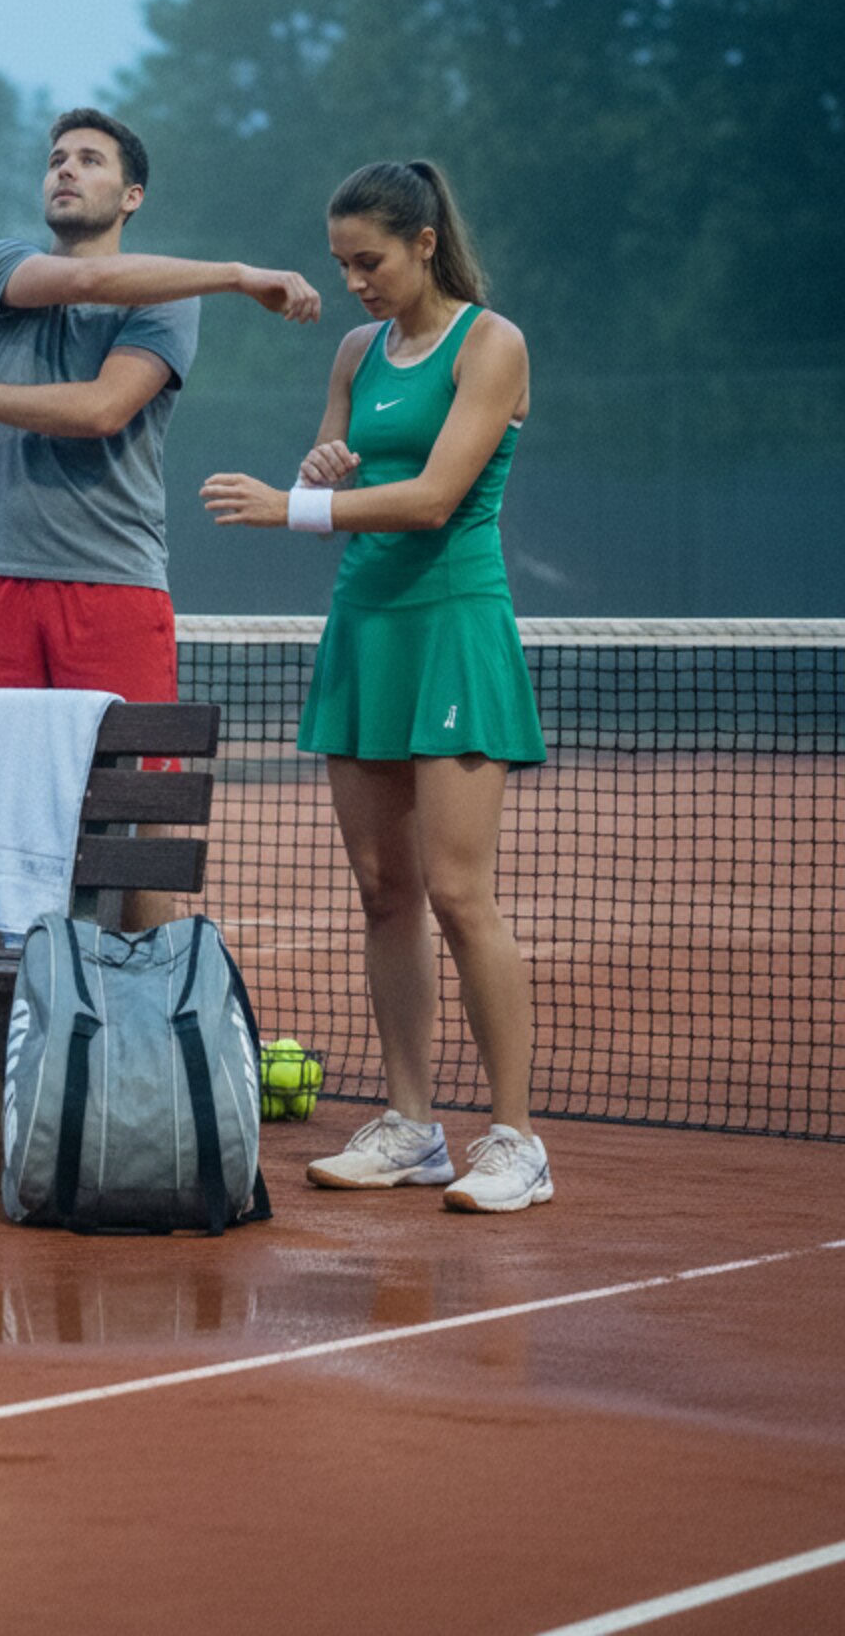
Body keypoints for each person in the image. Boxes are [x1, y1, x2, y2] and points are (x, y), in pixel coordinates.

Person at [200, 159, 550, 1213]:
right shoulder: (356, 349)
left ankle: (516, 1140)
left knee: (455, 889)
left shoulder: (491, 344)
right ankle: (410, 1126)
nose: (352, 281)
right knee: (381, 888)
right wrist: (320, 469)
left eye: (370, 260)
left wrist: (288, 508)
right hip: (363, 628)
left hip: (451, 625)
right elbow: (335, 457)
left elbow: (437, 496)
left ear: (423, 242)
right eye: (340, 263)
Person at [0, 107, 319, 933]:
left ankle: (141, 1019)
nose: (65, 170)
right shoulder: (0, 267)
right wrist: (239, 274)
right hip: (0, 583)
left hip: (116, 587)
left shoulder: (171, 302)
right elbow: (84, 281)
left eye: (89, 161)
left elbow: (102, 409)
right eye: (56, 159)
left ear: (130, 195)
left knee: (135, 818)